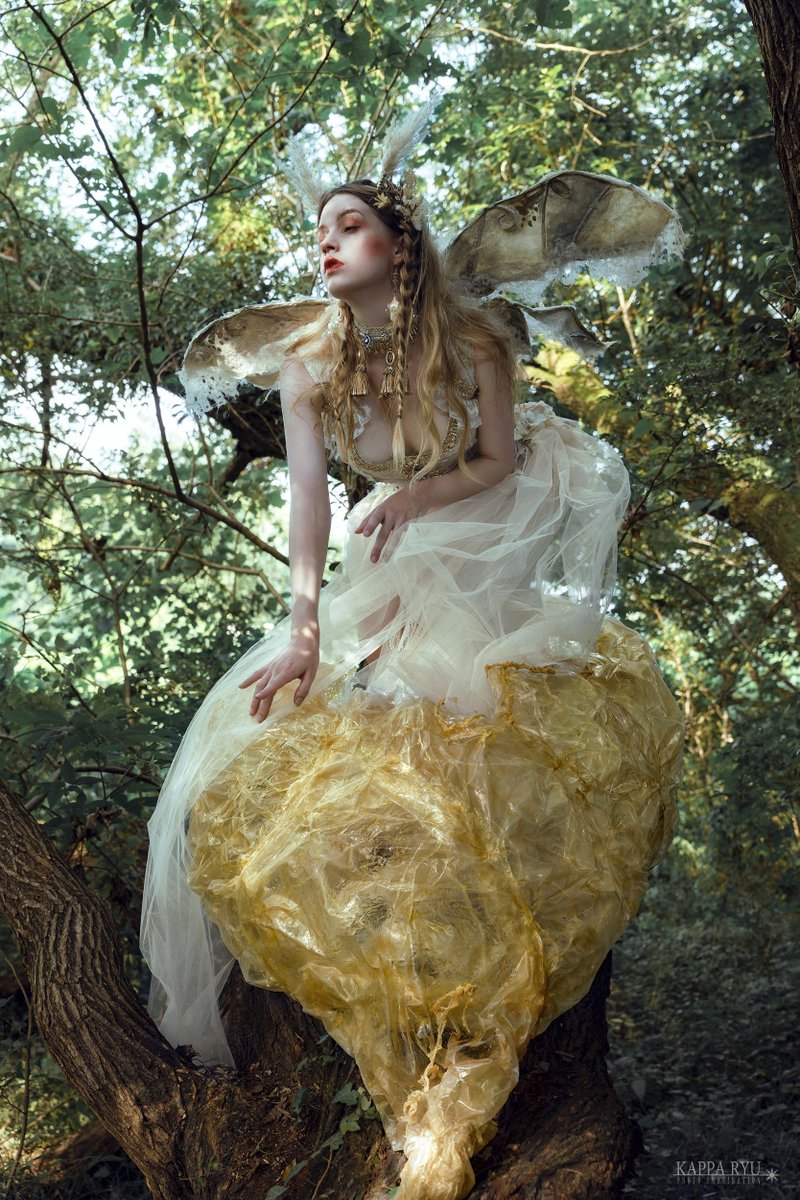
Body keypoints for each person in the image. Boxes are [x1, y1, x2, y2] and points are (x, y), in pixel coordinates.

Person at [140, 107, 685, 1200]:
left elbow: (497, 459)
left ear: (400, 245)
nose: (327, 244)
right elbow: (308, 507)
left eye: (349, 226)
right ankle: (406, 987)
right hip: (387, 544)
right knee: (315, 731)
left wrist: (419, 498)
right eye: (320, 232)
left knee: (466, 721)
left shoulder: (473, 339)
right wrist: (303, 630)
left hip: (481, 525)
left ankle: (492, 992)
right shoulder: (310, 367)